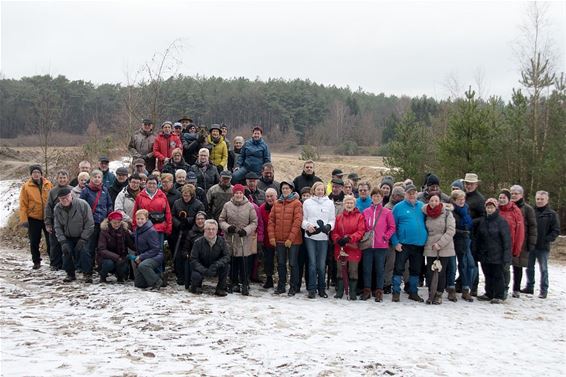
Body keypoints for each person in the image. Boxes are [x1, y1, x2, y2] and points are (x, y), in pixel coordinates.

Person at [219, 184, 258, 296]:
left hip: (244, 238)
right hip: (231, 238)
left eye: (240, 193)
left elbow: (254, 222)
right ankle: (233, 282)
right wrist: (227, 227)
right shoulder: (227, 205)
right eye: (236, 193)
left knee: (244, 263)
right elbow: (221, 220)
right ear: (233, 194)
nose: (238, 195)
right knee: (232, 261)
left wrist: (246, 230)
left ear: (243, 194)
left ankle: (245, 283)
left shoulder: (249, 206)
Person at [390, 184, 427, 302]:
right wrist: (395, 242)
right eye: (409, 193)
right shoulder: (398, 207)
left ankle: (413, 291)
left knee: (416, 269)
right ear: (405, 194)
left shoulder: (422, 207)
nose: (412, 195)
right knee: (399, 268)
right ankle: (396, 291)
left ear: (417, 194)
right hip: (403, 244)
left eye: (414, 193)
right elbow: (392, 227)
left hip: (419, 244)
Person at [522, 191, 560, 299]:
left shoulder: (552, 214)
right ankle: (529, 287)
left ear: (547, 200)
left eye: (542, 199)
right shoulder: (531, 211)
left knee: (543, 269)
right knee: (529, 268)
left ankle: (544, 290)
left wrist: (546, 239)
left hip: (543, 247)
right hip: (531, 245)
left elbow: (556, 230)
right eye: (538, 199)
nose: (539, 201)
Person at [360, 188, 396, 301]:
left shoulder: (387, 212)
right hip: (368, 245)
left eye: (378, 196)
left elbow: (392, 227)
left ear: (382, 198)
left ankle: (379, 290)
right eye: (374, 196)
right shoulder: (366, 211)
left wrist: (386, 236)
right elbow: (362, 226)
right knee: (367, 268)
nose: (376, 198)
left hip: (381, 245)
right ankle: (367, 290)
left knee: (380, 269)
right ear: (372, 197)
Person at [268, 181, 303, 296]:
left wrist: (291, 239)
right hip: (279, 240)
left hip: (293, 241)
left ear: (291, 190)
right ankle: (281, 286)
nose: (285, 190)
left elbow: (297, 222)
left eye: (287, 188)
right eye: (283, 188)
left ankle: (293, 286)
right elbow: (271, 221)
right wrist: (272, 237)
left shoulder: (297, 203)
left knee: (293, 263)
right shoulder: (277, 203)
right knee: (281, 263)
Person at [302, 181, 335, 299]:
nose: (320, 191)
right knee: (312, 263)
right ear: (314, 190)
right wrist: (307, 226)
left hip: (323, 238)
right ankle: (311, 288)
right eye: (318, 189)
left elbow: (332, 220)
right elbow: (303, 220)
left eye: (322, 189)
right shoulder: (307, 202)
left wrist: (329, 227)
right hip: (310, 237)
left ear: (325, 191)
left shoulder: (330, 203)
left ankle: (321, 289)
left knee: (321, 265)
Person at [474, 198, 511, 304]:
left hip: (497, 254)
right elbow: (478, 237)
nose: (489, 210)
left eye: (491, 207)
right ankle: (489, 292)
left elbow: (506, 240)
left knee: (497, 275)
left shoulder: (501, 221)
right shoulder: (483, 221)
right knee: (487, 274)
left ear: (496, 208)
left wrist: (506, 256)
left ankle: (499, 294)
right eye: (488, 207)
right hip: (485, 253)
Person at [54, 189, 95, 283]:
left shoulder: (82, 204)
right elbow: (57, 226)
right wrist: (62, 241)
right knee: (66, 251)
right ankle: (70, 274)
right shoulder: (57, 208)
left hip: (82, 235)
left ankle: (87, 274)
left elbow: (89, 223)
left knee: (84, 252)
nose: (65, 200)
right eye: (62, 198)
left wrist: (83, 238)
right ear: (59, 199)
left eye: (67, 197)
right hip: (67, 236)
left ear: (71, 195)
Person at [422, 194, 456, 304]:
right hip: (430, 246)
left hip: (444, 246)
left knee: (441, 271)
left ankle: (439, 294)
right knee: (430, 271)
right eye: (431, 200)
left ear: (439, 201)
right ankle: (431, 293)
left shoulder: (447, 213)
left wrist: (440, 244)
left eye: (436, 200)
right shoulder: (426, 213)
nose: (433, 203)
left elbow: (451, 230)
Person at [19, 164, 53, 269]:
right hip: (33, 218)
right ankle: (36, 261)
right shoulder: (26, 187)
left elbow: (52, 201)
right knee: (34, 241)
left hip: (47, 218)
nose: (36, 174)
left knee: (50, 241)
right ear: (31, 174)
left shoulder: (48, 184)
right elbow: (23, 204)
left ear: (41, 173)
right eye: (34, 173)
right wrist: (24, 219)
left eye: (38, 172)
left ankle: (53, 260)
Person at [331, 195, 366, 300]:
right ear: (344, 204)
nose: (349, 205)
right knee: (340, 269)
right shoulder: (339, 218)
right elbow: (334, 232)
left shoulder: (359, 217)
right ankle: (340, 291)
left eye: (351, 203)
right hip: (340, 247)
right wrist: (337, 239)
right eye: (347, 203)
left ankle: (353, 292)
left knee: (353, 269)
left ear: (354, 204)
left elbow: (361, 231)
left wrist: (350, 238)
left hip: (353, 247)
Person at [171, 184, 205, 285]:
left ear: (192, 195)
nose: (185, 198)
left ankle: (191, 276)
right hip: (179, 232)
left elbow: (201, 217)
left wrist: (189, 220)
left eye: (187, 196)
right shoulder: (177, 203)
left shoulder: (198, 204)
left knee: (191, 255)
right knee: (178, 255)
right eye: (184, 195)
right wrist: (178, 223)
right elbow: (172, 215)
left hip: (193, 232)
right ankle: (180, 276)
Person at [80, 169, 113, 269]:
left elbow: (109, 205)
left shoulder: (105, 190)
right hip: (90, 223)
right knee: (90, 246)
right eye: (95, 177)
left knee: (101, 246)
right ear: (91, 178)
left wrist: (108, 218)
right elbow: (81, 207)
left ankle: (101, 267)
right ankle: (88, 268)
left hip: (103, 223)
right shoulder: (85, 191)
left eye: (99, 177)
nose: (97, 179)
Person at [190, 219, 231, 296]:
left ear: (216, 230)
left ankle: (220, 288)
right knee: (195, 273)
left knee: (226, 266)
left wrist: (216, 265)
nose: (211, 231)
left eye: (213, 229)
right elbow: (193, 259)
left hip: (215, 267)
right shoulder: (198, 242)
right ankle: (196, 286)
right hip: (202, 267)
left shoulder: (221, 241)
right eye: (208, 229)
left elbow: (227, 256)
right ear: (204, 230)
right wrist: (204, 270)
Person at [509, 185, 537, 298]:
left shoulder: (528, 209)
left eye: (516, 193)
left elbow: (533, 227)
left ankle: (516, 289)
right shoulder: (507, 206)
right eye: (512, 193)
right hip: (508, 240)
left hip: (521, 242)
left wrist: (531, 243)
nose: (514, 195)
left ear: (521, 195)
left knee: (518, 266)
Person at [132, 175, 172, 251]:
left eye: (154, 183)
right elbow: (135, 212)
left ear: (157, 185)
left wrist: (169, 227)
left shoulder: (162, 196)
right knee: (145, 250)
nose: (151, 185)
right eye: (149, 183)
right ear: (146, 184)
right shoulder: (140, 196)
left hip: (159, 228)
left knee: (158, 251)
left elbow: (167, 212)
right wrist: (134, 227)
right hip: (143, 228)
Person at [497, 188, 525, 299]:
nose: (502, 200)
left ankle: (504, 288)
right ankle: (494, 289)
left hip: (509, 244)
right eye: (500, 198)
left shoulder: (515, 211)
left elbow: (520, 231)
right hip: (495, 245)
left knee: (505, 268)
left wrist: (517, 248)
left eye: (504, 198)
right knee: (496, 268)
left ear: (508, 199)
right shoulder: (496, 209)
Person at [44, 169, 73, 270]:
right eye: (60, 178)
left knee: (67, 243)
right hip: (55, 220)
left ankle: (67, 264)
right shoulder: (52, 191)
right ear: (57, 179)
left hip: (69, 221)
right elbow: (48, 207)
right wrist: (48, 222)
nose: (62, 180)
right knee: (55, 244)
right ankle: (55, 264)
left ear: (67, 179)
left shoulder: (72, 189)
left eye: (64, 178)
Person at [450, 189, 476, 302]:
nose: (461, 201)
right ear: (454, 200)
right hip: (453, 240)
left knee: (465, 265)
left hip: (465, 240)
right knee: (452, 266)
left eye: (463, 199)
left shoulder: (466, 210)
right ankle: (450, 288)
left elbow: (470, 224)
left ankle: (466, 289)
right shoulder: (451, 211)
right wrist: (462, 232)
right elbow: (450, 227)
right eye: (459, 199)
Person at [463, 172, 485, 296]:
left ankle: (474, 286)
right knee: (463, 261)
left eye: (471, 184)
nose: (469, 186)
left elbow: (483, 217)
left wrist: (470, 222)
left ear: (476, 184)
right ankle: (464, 283)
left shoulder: (479, 199)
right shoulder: (463, 196)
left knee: (472, 261)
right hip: (463, 234)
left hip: (474, 235)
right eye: (467, 183)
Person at [97, 211, 134, 283]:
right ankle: (103, 276)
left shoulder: (124, 231)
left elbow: (131, 244)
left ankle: (120, 277)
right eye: (114, 223)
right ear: (110, 222)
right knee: (108, 264)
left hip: (121, 257)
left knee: (123, 265)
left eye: (119, 222)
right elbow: (101, 249)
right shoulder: (104, 232)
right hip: (106, 257)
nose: (117, 225)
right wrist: (116, 257)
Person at [131, 209, 164, 290]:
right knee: (139, 284)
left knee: (143, 265)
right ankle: (159, 276)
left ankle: (157, 281)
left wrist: (141, 257)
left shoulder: (150, 231)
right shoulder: (138, 230)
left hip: (156, 256)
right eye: (138, 219)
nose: (139, 221)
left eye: (142, 219)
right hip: (146, 256)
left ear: (146, 219)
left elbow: (156, 249)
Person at [383, 186, 405, 294]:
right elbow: (389, 225)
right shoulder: (389, 207)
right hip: (390, 241)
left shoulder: (401, 206)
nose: (401, 198)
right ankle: (387, 283)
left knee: (402, 264)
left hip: (401, 239)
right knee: (389, 264)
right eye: (400, 196)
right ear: (395, 195)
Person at [181, 211, 207, 290]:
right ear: (195, 221)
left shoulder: (210, 231)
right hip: (195, 258)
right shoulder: (191, 233)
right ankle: (194, 284)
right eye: (198, 219)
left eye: (202, 219)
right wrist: (186, 254)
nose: (200, 221)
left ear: (206, 220)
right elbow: (185, 249)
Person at [259, 188, 277, 289]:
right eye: (267, 196)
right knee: (268, 260)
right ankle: (269, 279)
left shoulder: (280, 206)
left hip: (279, 238)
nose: (269, 198)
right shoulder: (262, 208)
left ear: (276, 196)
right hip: (267, 239)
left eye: (272, 196)